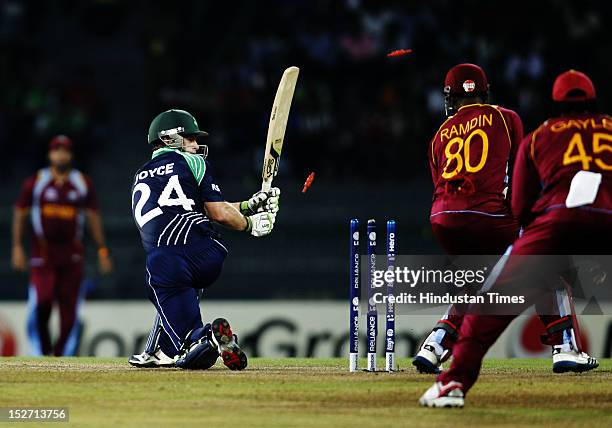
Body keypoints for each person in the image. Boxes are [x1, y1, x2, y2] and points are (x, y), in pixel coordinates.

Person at [420, 69, 609, 407]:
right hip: (494, 214)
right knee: (545, 269)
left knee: (485, 288)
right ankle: (565, 344)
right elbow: (516, 179)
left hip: (443, 216)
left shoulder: (441, 135)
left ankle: (440, 349)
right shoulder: (507, 118)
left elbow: (444, 184)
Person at [128, 109, 279, 370]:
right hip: (205, 251)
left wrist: (248, 217)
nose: (196, 145)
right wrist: (249, 215)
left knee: (161, 277)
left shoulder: (140, 175)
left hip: (172, 256)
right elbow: (211, 210)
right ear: (168, 139)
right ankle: (171, 348)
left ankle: (202, 338)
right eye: (190, 138)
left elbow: (214, 211)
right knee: (175, 288)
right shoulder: (192, 163)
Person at [12, 135, 113, 356]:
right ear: (50, 155)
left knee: (69, 313)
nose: (61, 155)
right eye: (56, 151)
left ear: (71, 155)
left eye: (65, 151)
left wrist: (102, 250)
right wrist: (17, 247)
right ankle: (43, 350)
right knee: (43, 301)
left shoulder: (81, 183)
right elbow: (20, 213)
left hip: (72, 255)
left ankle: (60, 355)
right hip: (43, 254)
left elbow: (93, 217)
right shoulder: (37, 182)